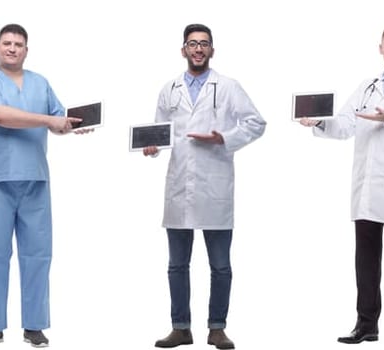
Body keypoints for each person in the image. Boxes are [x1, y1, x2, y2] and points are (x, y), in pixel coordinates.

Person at [299, 24, 384, 350]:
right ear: (380, 48)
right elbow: (347, 123)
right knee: (365, 261)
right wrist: (319, 121)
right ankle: (366, 324)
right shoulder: (367, 86)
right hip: (365, 188)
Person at [145, 23, 267, 350]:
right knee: (176, 265)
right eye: (192, 44)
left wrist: (223, 138)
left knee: (221, 266)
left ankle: (217, 328)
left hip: (215, 186)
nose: (198, 49)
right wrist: (153, 146)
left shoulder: (227, 86)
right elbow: (160, 131)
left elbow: (257, 123)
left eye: (204, 44)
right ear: (183, 50)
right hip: (179, 186)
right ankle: (180, 328)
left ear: (212, 50)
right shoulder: (169, 89)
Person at [0, 23, 92, 348]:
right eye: (7, 43)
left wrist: (70, 125)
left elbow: (57, 119)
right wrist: (48, 120)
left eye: (19, 44)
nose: (12, 48)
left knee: (38, 254)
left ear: (26, 50)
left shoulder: (41, 83)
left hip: (36, 179)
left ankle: (35, 325)